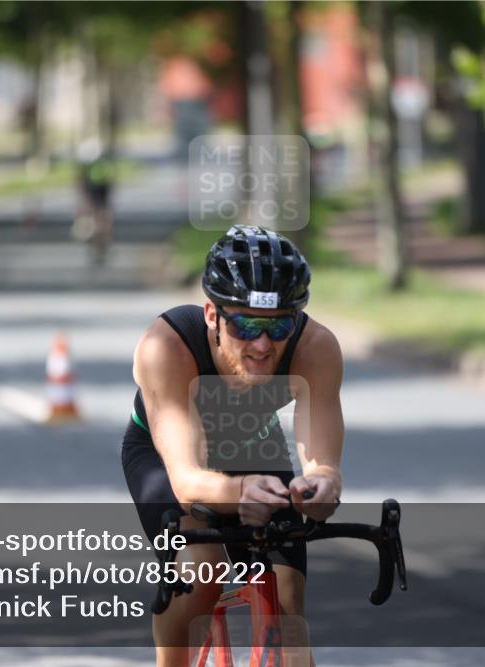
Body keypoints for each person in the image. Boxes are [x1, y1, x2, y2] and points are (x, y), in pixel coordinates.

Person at [122, 224, 343, 666]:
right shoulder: (165, 346)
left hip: (253, 449)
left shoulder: (315, 347)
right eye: (244, 324)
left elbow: (321, 463)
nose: (262, 344)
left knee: (287, 596)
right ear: (211, 315)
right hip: (166, 455)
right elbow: (186, 479)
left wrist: (321, 485)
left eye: (278, 326)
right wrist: (240, 492)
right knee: (202, 573)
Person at [74, 138, 116, 265]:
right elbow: (81, 185)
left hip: (100, 196)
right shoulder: (86, 168)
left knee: (102, 223)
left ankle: (102, 246)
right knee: (97, 223)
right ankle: (97, 245)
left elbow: (109, 184)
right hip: (94, 196)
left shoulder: (101, 166)